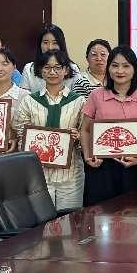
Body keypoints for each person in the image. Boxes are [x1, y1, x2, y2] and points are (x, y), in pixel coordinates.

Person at [81, 46, 137, 205]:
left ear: (134, 69)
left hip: (133, 167)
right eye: (115, 65)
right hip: (101, 166)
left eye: (126, 66)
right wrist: (87, 156)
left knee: (133, 213)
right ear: (108, 68)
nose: (120, 71)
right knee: (100, 213)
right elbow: (85, 129)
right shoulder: (96, 95)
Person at [14, 50, 86, 210]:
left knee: (70, 221)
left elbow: (86, 134)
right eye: (47, 67)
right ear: (41, 70)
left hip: (70, 175)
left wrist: (79, 136)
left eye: (58, 67)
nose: (52, 72)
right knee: (42, 222)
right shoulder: (29, 101)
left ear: (66, 70)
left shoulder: (79, 101)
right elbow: (21, 133)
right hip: (37, 175)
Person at [20, 24, 81, 92]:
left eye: (55, 43)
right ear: (40, 45)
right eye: (45, 43)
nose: (50, 47)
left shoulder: (73, 68)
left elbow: (79, 96)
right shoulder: (29, 69)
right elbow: (24, 96)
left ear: (61, 45)